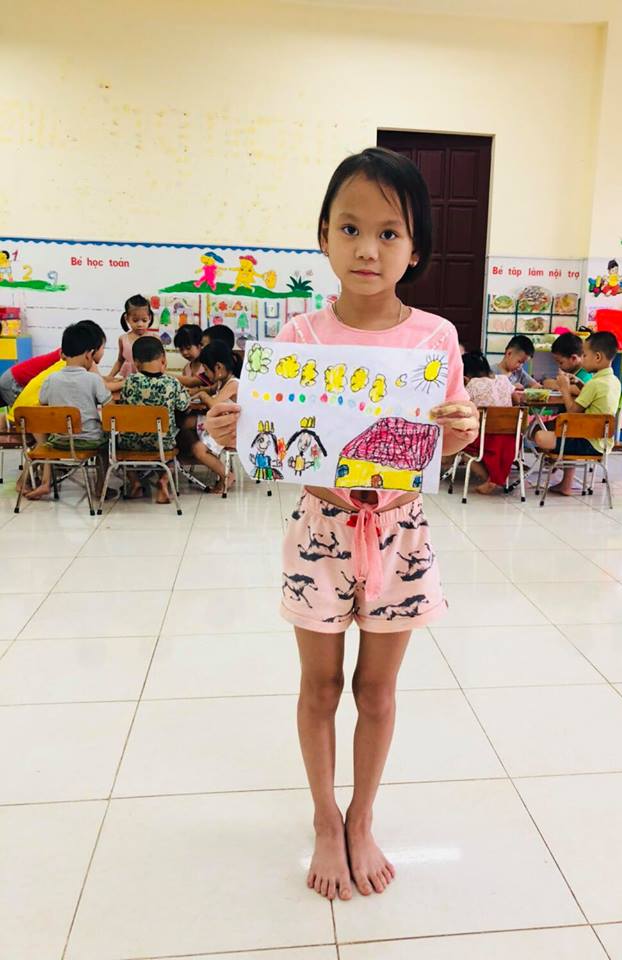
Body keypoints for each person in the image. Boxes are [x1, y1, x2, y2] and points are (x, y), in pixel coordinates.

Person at [203, 147, 478, 902]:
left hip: (400, 532)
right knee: (320, 686)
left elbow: (444, 438)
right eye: (350, 228)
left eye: (389, 233)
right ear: (323, 235)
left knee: (377, 691)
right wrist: (231, 428)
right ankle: (325, 816)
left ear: (415, 248)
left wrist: (462, 431)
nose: (367, 249)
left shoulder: (435, 337)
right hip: (321, 532)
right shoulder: (300, 336)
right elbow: (269, 439)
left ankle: (363, 816)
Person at [23, 322, 111, 501]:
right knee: (105, 446)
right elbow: (110, 407)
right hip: (90, 441)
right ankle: (100, 488)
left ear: (63, 353)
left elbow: (42, 406)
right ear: (89, 354)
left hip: (59, 441)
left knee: (48, 442)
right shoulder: (93, 380)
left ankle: (45, 483)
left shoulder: (51, 379)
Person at [535, 331, 621, 495]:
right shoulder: (613, 381)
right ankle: (565, 483)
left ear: (597, 357)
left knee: (539, 435)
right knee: (562, 431)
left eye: (585, 355)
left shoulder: (595, 384)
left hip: (587, 443)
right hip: (603, 442)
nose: (583, 359)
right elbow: (594, 397)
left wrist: (565, 388)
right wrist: (580, 384)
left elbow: (573, 411)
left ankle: (555, 467)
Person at [118, 337, 191, 504]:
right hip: (162, 443)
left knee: (116, 446)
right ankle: (163, 480)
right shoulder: (171, 383)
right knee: (176, 444)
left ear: (136, 363)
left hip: (130, 443)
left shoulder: (129, 382)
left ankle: (135, 482)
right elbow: (183, 405)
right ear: (163, 359)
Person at [463, 350, 518, 494]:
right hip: (511, 437)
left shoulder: (472, 384)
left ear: (466, 375)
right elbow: (517, 400)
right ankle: (495, 478)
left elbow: (464, 407)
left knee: (462, 447)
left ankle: (489, 479)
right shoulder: (504, 380)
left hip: (485, 439)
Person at [190, 341, 241, 494]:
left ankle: (227, 476)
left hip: (230, 430)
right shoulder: (221, 383)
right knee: (188, 424)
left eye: (206, 369)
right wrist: (197, 392)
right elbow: (208, 390)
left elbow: (214, 405)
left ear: (218, 367)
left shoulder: (233, 383)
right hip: (222, 425)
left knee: (198, 450)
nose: (205, 374)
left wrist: (202, 395)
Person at [108, 294, 157, 380]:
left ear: (149, 317)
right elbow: (120, 361)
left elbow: (161, 362)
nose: (140, 324)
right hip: (128, 381)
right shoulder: (123, 339)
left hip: (149, 381)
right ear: (127, 318)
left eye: (144, 320)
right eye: (135, 320)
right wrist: (110, 377)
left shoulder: (155, 338)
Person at [542, 332, 592, 396]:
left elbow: (579, 390)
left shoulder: (587, 373)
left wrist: (558, 385)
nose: (559, 366)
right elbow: (547, 383)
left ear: (573, 358)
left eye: (561, 362)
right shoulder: (572, 370)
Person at [173, 324, 212, 389]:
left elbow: (191, 382)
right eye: (181, 349)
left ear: (200, 345)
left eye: (188, 348)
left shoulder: (208, 366)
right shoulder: (186, 368)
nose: (185, 352)